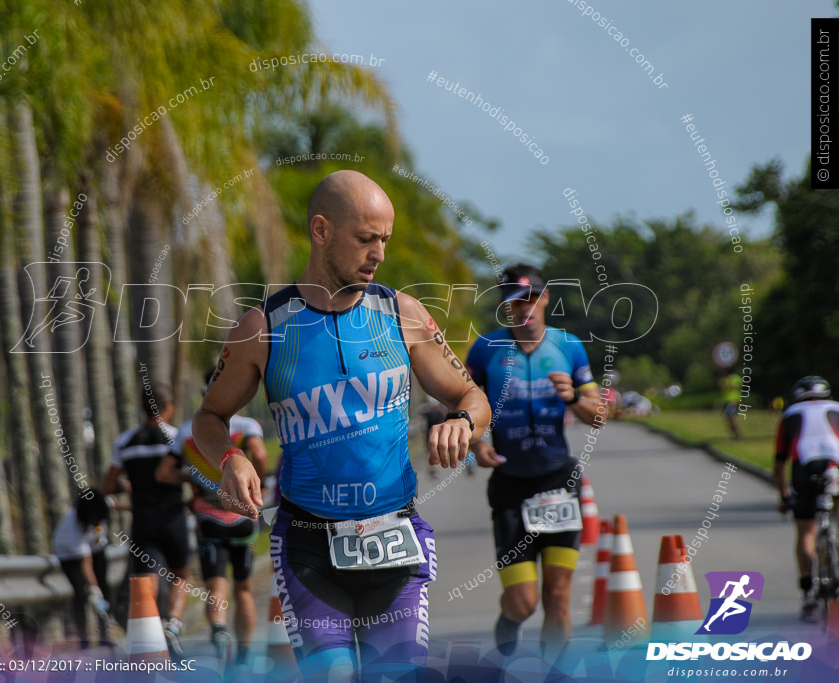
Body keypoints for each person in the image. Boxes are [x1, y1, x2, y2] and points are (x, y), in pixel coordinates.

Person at [191, 170, 490, 682]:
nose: (378, 254)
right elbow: (208, 417)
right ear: (322, 230)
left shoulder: (403, 315)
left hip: (395, 537)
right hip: (309, 546)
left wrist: (463, 421)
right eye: (366, 239)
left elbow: (472, 395)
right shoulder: (263, 328)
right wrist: (230, 456)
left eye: (385, 241)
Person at [465, 264, 604, 658]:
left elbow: (598, 415)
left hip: (558, 483)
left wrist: (574, 398)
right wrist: (477, 446)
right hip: (510, 485)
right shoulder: (485, 349)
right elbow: (464, 408)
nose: (523, 307)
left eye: (530, 298)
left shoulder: (568, 346)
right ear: (504, 307)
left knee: (558, 596)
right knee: (523, 602)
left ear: (544, 299)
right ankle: (509, 622)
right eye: (513, 301)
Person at [176, 369, 268, 668]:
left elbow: (165, 472)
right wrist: (260, 486)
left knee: (216, 586)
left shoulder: (187, 431)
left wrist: (192, 481)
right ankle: (242, 655)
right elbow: (261, 455)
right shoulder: (246, 425)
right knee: (242, 588)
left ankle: (218, 630)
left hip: (207, 516)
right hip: (243, 516)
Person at [102, 382, 190, 659]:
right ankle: (173, 623)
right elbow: (195, 474)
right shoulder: (178, 437)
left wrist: (126, 488)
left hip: (142, 518)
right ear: (168, 407)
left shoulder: (125, 441)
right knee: (182, 576)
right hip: (174, 515)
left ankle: (151, 631)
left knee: (148, 577)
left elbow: (108, 485)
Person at [774, 375, 839, 622]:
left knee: (806, 533)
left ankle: (809, 595)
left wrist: (784, 497)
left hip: (805, 468)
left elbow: (780, 464)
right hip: (835, 465)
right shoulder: (837, 408)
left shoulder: (790, 414)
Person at [52, 488, 119, 649]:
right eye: (94, 519)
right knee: (81, 594)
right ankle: (84, 640)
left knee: (105, 588)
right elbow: (85, 563)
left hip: (96, 549)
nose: (97, 522)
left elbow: (114, 504)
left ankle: (104, 635)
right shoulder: (72, 528)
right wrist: (94, 589)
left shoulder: (101, 507)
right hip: (70, 556)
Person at [721, 371, 743, 441]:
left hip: (734, 401)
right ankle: (735, 435)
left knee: (731, 418)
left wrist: (729, 381)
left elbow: (736, 387)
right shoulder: (725, 379)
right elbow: (722, 386)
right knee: (728, 419)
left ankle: (738, 435)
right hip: (727, 401)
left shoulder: (736, 378)